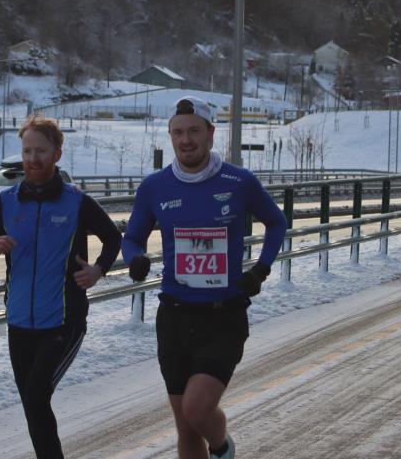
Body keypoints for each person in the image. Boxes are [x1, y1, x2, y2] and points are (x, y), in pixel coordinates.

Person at [122, 96, 287, 459]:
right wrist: (135, 258)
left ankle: (222, 447)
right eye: (177, 132)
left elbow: (276, 222)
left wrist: (260, 269)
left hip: (222, 315)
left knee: (197, 409)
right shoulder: (154, 187)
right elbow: (132, 237)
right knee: (184, 423)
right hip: (174, 316)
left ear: (211, 133)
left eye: (194, 130)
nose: (186, 140)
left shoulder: (239, 181)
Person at [0, 114, 121, 459]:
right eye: (27, 151)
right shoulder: (7, 202)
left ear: (57, 154)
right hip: (19, 322)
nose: (33, 159)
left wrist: (98, 270)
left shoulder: (76, 201)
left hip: (63, 321)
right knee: (32, 405)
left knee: (36, 397)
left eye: (41, 151)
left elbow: (113, 238)